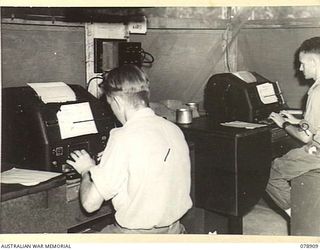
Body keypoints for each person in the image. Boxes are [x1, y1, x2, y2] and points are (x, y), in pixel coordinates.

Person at [66, 64, 192, 233]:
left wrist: (86, 169)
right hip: (175, 232)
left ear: (117, 100)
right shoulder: (173, 129)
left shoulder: (122, 136)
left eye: (110, 103)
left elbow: (90, 204)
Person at [267, 36, 320, 216]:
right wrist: (298, 120)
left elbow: (306, 137)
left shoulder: (317, 91)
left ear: (314, 62)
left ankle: (299, 217)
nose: (300, 68)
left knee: (271, 173)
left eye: (303, 63)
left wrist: (285, 124)